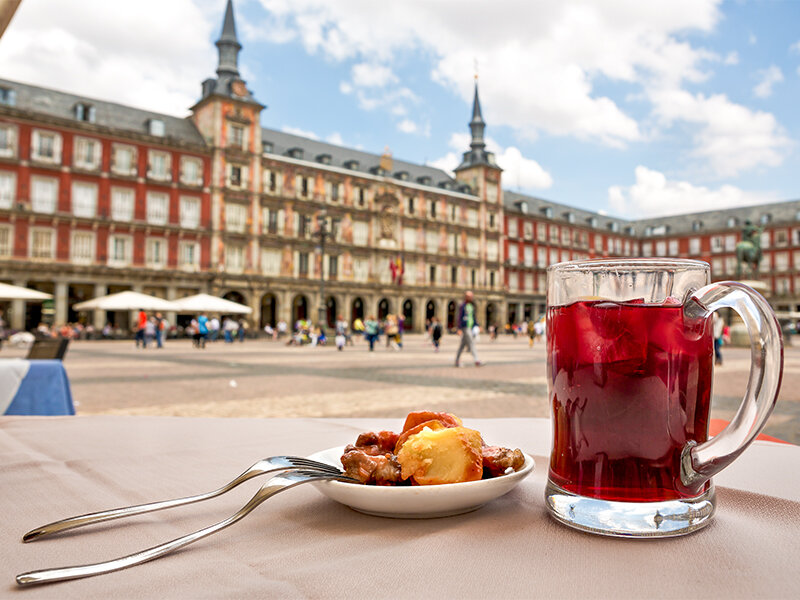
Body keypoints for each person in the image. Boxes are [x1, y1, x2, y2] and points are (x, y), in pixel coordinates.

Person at [455, 290, 482, 367]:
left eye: (472, 296)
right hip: (465, 327)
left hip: (470, 327)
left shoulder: (471, 306)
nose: (471, 297)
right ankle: (476, 360)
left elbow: (473, 317)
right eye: (470, 296)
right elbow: (459, 317)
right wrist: (459, 328)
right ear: (466, 297)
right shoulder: (462, 306)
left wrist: (477, 325)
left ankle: (457, 360)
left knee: (462, 345)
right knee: (471, 342)